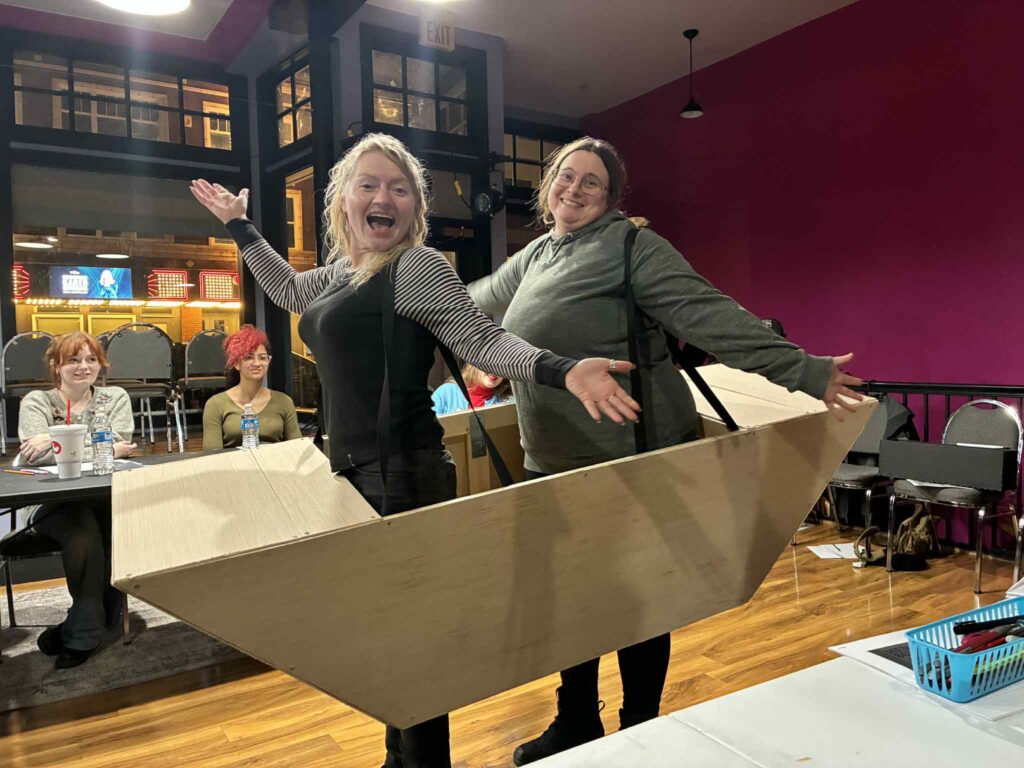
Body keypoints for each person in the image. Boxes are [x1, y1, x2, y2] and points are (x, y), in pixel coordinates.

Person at [190, 132, 640, 768]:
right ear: (343, 199)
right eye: (369, 184)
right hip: (351, 475)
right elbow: (289, 290)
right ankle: (398, 759)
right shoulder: (346, 272)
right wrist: (241, 228)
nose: (384, 197)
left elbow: (482, 340)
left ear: (415, 208)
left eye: (399, 189)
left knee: (414, 648)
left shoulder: (415, 268)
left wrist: (561, 370)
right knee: (385, 641)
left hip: (404, 476)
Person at [466, 137, 864, 765]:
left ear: (612, 197)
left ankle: (640, 730)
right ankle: (576, 721)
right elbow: (464, 305)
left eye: (591, 182)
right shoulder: (538, 254)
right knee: (573, 600)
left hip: (631, 458)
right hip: (554, 461)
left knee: (636, 600)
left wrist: (805, 372)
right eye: (565, 176)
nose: (573, 189)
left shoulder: (632, 247)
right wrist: (397, 290)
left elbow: (709, 315)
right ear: (547, 187)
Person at [17, 331, 137, 668]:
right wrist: (103, 445)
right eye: (73, 360)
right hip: (57, 505)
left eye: (91, 359)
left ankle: (78, 623)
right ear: (56, 366)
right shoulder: (37, 402)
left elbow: (121, 444)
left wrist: (57, 439)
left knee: (119, 526)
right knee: (84, 533)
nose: (83, 367)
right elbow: (35, 458)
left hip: (107, 498)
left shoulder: (115, 398)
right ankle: (86, 632)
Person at [202, 325, 301, 449]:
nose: (257, 363)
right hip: (233, 466)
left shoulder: (284, 402)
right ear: (236, 364)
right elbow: (212, 456)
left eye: (263, 358)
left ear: (268, 362)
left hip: (275, 465)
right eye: (249, 358)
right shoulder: (215, 404)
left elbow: (297, 449)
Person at [431, 363, 512, 415]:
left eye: (502, 365)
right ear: (475, 363)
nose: (495, 371)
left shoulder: (507, 403)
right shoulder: (445, 393)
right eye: (491, 363)